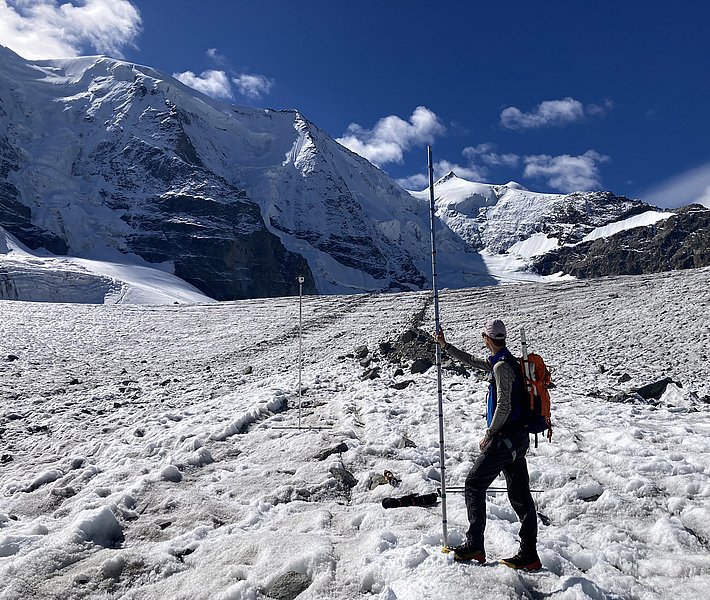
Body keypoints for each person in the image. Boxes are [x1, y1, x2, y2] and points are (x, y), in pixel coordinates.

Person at [436, 318, 541, 570]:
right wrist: (446, 346)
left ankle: (475, 545)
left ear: (486, 338)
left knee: (474, 483)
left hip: (504, 440)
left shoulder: (502, 368)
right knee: (520, 495)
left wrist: (490, 433)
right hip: (517, 440)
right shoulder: (505, 361)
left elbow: (504, 404)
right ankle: (530, 554)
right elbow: (474, 361)